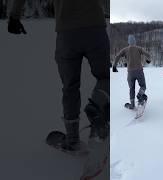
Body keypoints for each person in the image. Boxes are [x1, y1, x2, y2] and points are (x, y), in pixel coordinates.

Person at [8, 0, 109, 159]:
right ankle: (97, 110)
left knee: (70, 87)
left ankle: (72, 139)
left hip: (66, 34)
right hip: (94, 27)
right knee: (106, 77)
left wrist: (14, 16)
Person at [113, 34, 151, 109]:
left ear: (128, 42)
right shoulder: (139, 48)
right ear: (134, 41)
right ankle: (140, 95)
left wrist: (114, 66)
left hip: (130, 73)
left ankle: (132, 104)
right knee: (143, 86)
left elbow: (117, 56)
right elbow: (148, 54)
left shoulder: (125, 49)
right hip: (139, 71)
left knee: (131, 88)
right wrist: (148, 60)